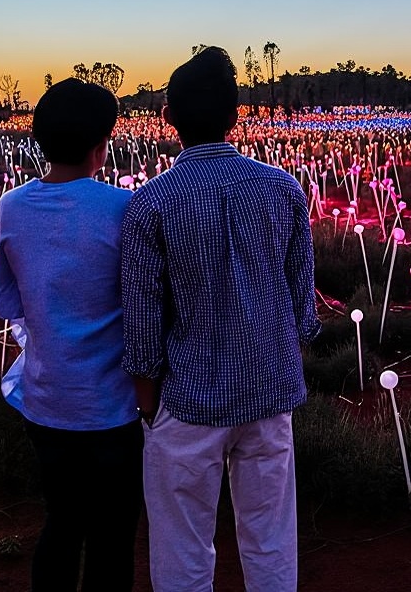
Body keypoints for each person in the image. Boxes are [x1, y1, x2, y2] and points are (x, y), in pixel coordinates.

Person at [121, 46, 321, 592]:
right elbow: (300, 299)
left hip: (188, 400)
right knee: (272, 538)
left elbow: (142, 322)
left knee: (182, 545)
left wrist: (148, 404)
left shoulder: (151, 204)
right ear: (236, 117)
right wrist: (277, 359)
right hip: (269, 392)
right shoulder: (282, 189)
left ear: (168, 119)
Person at [0, 78, 142, 591]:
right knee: (112, 536)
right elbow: (141, 305)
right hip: (113, 407)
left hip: (47, 400)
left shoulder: (10, 207)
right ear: (102, 143)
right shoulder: (124, 208)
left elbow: (10, 303)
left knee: (60, 523)